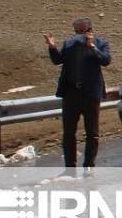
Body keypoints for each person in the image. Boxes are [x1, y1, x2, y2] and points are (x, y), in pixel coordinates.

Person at [43, 17, 112, 168]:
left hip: (91, 94)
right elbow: (58, 60)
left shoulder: (101, 43)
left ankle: (89, 165)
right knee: (68, 132)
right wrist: (52, 47)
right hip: (71, 93)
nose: (79, 34)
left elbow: (106, 60)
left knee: (92, 132)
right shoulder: (69, 44)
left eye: (82, 31)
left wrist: (92, 46)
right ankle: (70, 166)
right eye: (77, 31)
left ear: (90, 31)